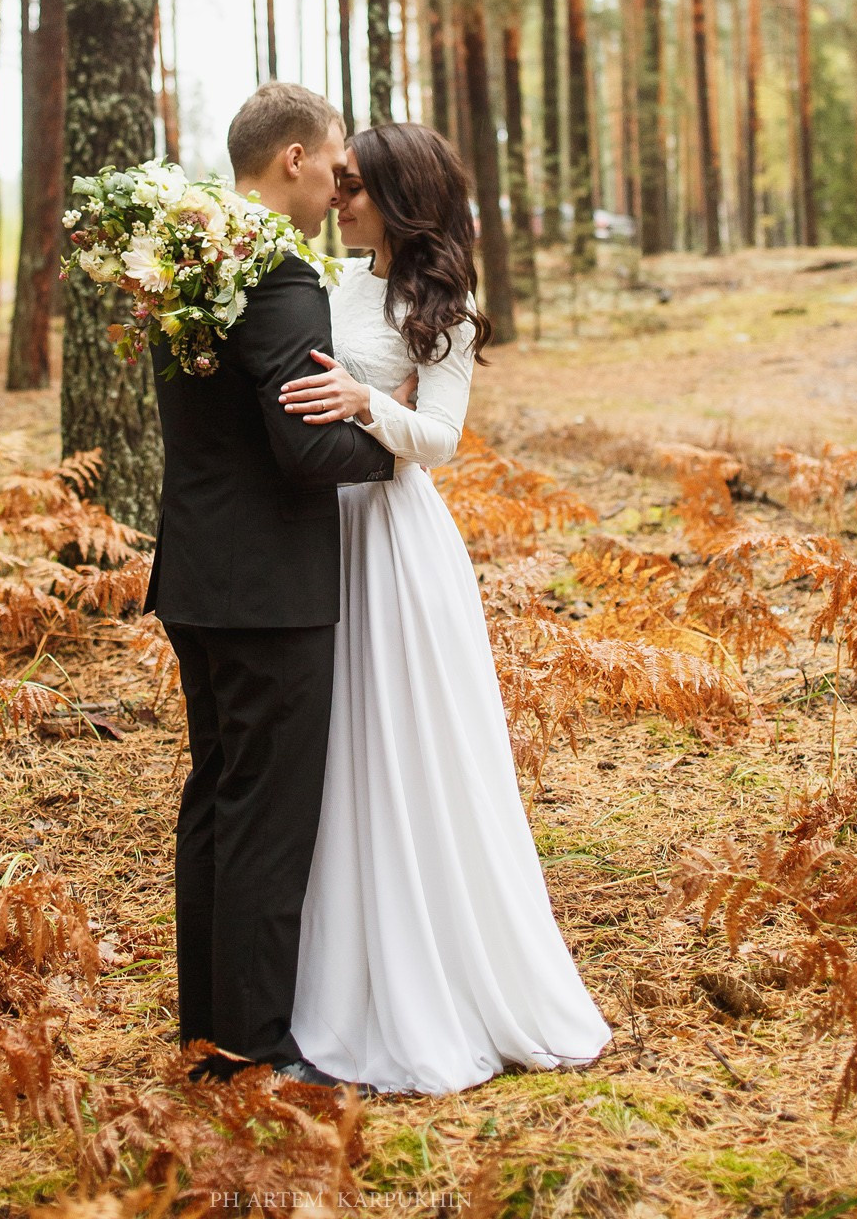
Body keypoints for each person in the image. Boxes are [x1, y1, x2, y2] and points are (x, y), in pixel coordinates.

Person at [279, 120, 612, 1094]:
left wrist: (359, 403)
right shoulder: (324, 282)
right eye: (334, 185)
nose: (336, 201)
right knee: (336, 750)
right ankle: (331, 975)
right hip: (316, 533)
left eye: (351, 187)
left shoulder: (445, 308)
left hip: (391, 539)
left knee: (404, 745)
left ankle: (437, 976)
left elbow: (439, 438)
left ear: (396, 195)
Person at [143, 83, 395, 1085]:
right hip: (270, 588)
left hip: (197, 571)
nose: (340, 181)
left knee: (213, 798)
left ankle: (206, 1027)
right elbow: (303, 448)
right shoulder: (277, 272)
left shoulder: (184, 257)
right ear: (292, 157)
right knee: (263, 812)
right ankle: (251, 1048)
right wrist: (392, 449)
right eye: (334, 161)